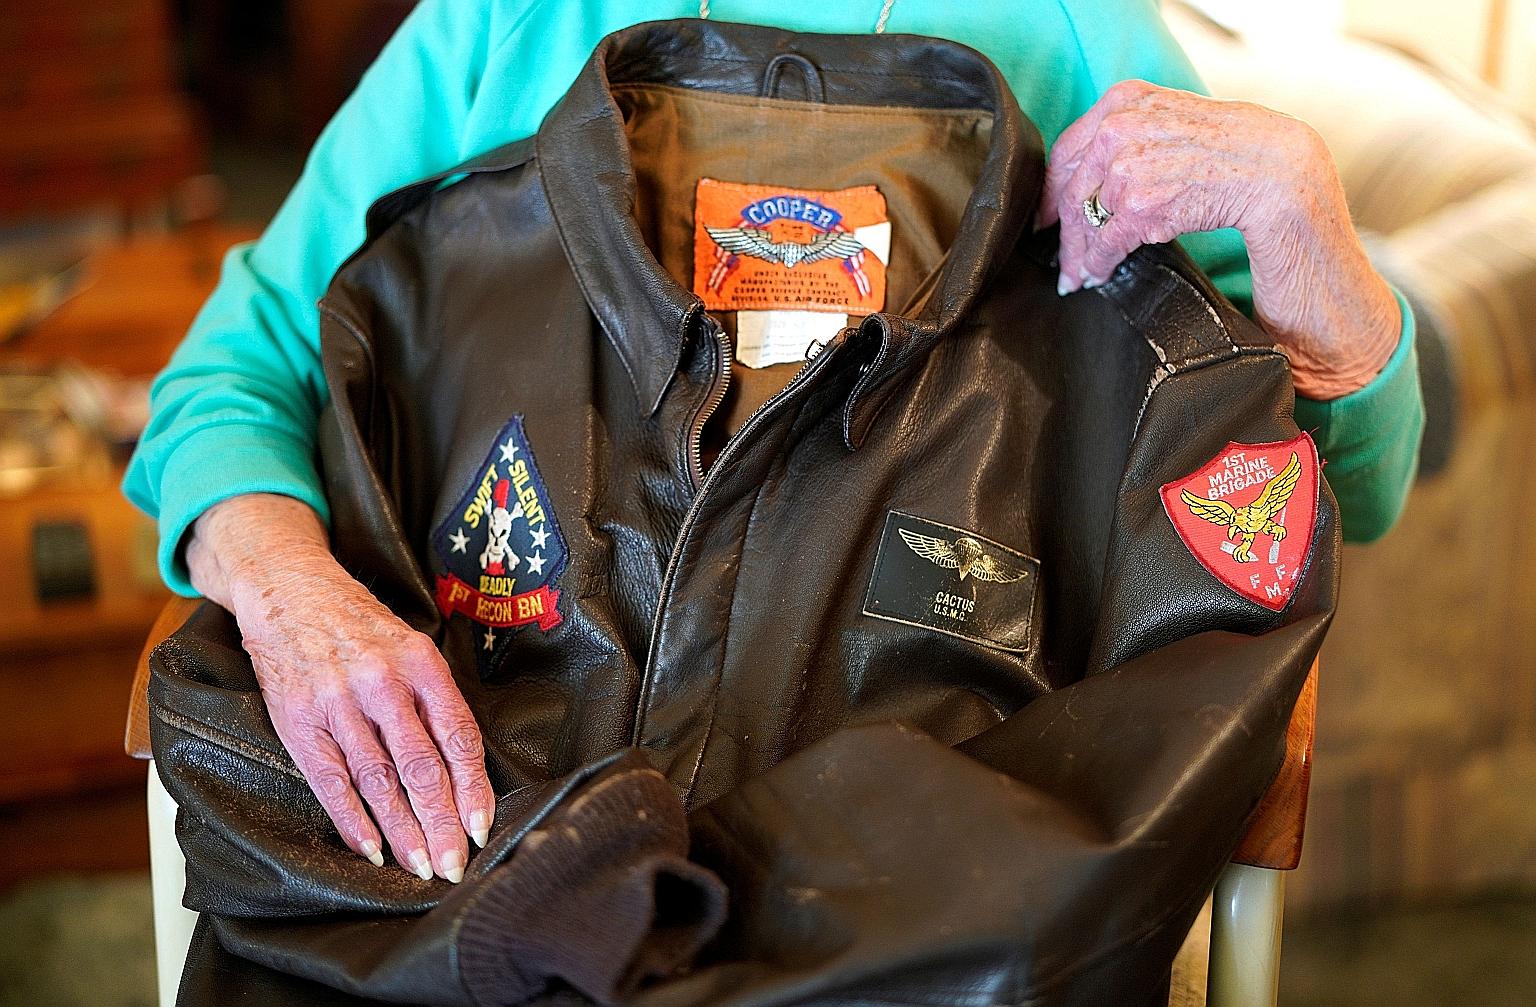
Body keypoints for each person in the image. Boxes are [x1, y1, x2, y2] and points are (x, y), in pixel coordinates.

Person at [125, 0, 1424, 888]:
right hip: (499, 809)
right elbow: (238, 365)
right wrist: (291, 596)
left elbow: (1332, 481)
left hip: (906, 866)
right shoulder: (503, 25)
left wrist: (1293, 204)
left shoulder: (1065, 28)